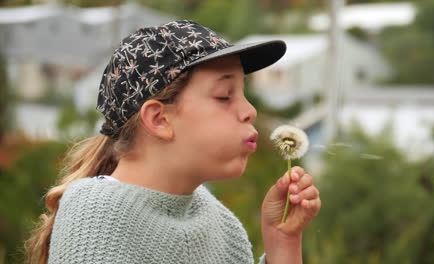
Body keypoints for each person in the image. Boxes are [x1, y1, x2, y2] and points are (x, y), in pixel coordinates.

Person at [24, 20, 321, 264]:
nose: (249, 111)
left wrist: (283, 244)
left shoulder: (222, 227)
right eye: (224, 96)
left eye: (244, 94)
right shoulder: (94, 215)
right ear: (159, 119)